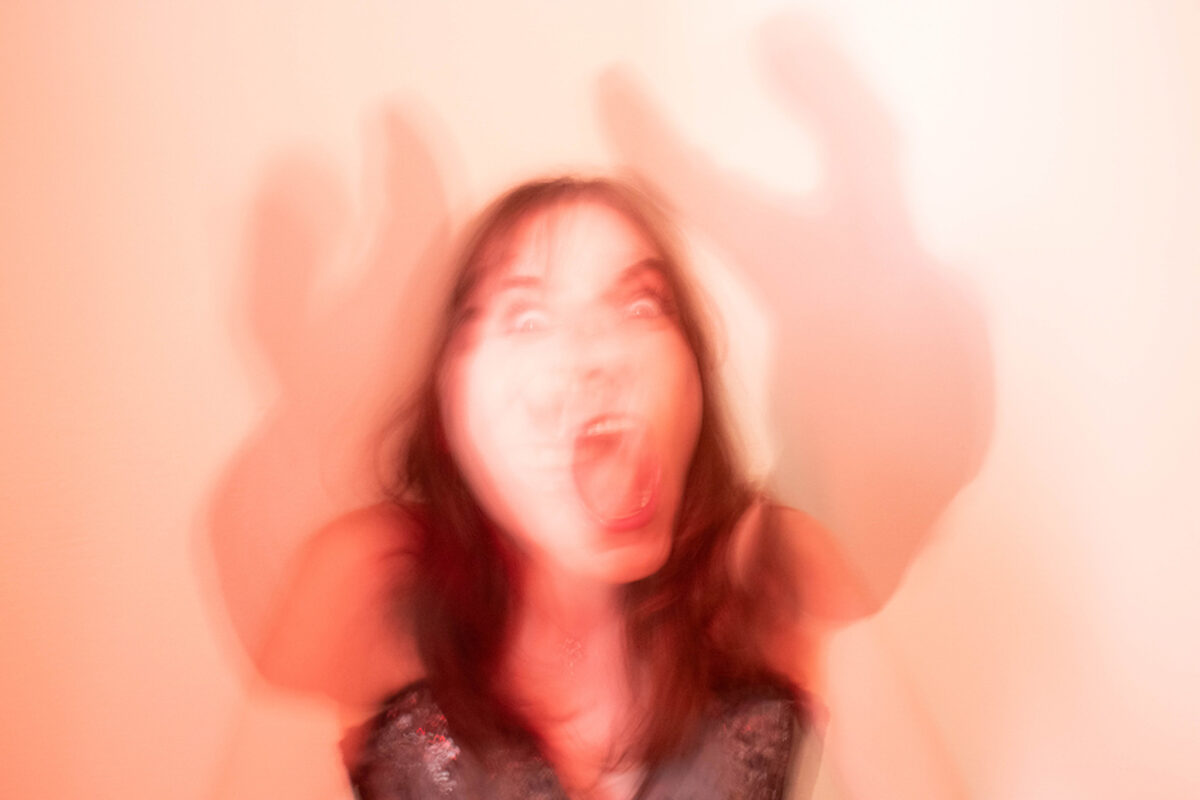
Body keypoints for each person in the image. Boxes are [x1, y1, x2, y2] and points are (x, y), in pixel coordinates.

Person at [343, 175, 860, 799]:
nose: (597, 354)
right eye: (528, 317)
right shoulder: (372, 581)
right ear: (450, 400)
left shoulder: (774, 573)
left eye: (642, 305)